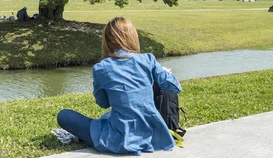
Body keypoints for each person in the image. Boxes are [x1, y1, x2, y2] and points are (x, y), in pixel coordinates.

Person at [56, 17, 181, 155]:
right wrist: (162, 72)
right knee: (111, 114)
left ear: (107, 41)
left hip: (118, 140)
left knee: (64, 115)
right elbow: (175, 87)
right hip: (150, 136)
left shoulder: (101, 68)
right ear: (133, 37)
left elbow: (103, 103)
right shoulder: (148, 59)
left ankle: (87, 136)